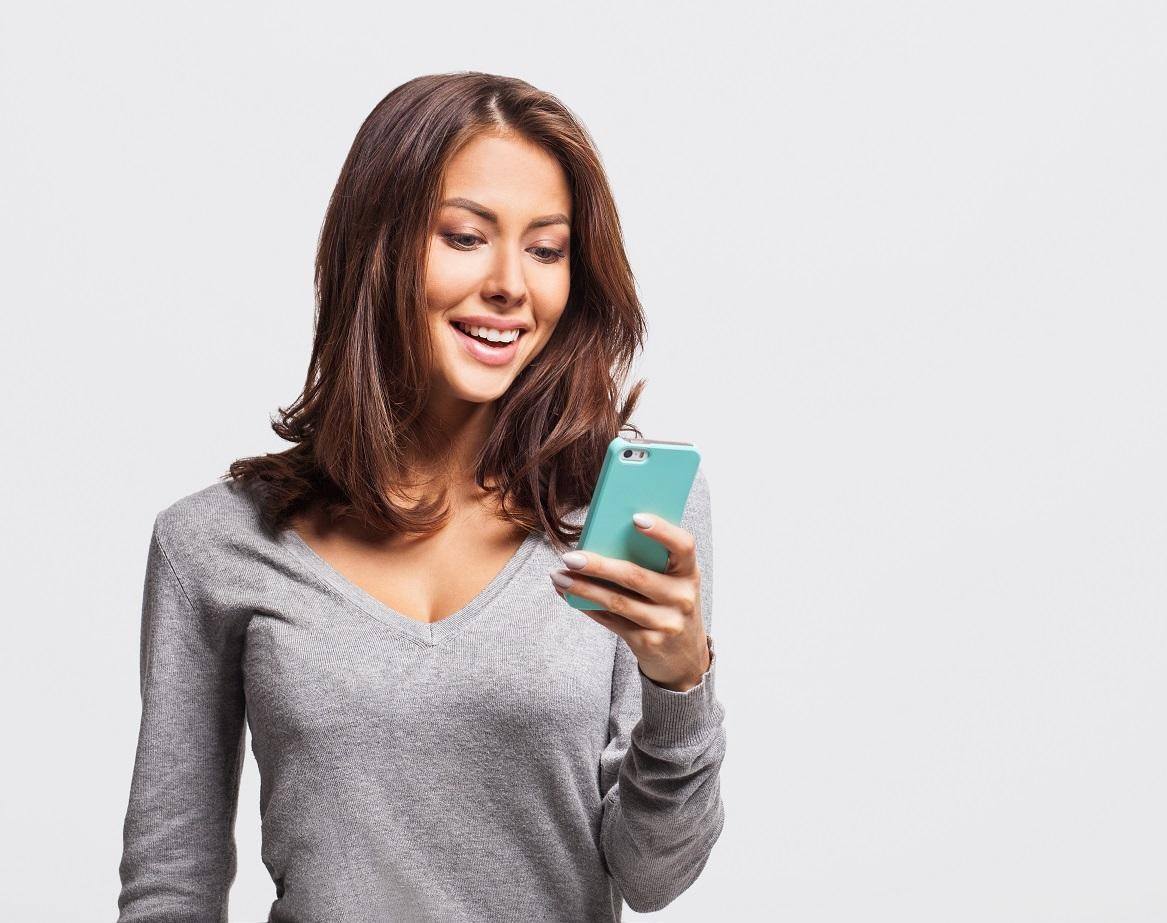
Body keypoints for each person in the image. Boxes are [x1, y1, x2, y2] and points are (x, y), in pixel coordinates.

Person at [115, 71, 726, 923]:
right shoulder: (211, 545)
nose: (513, 283)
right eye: (466, 237)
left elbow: (653, 875)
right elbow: (169, 888)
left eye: (547, 250)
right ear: (378, 249)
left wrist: (679, 681)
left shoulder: (623, 520)